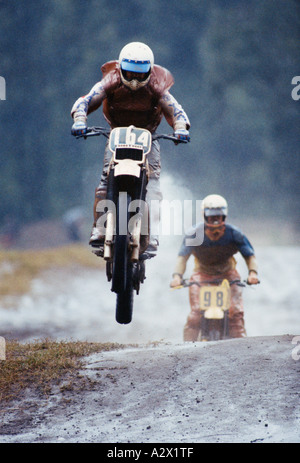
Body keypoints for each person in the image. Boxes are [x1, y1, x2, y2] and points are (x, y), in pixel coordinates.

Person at [71, 42, 190, 254]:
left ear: (149, 71)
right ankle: (99, 229)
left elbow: (177, 110)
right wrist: (80, 119)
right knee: (105, 179)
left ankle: (150, 233)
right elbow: (86, 100)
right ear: (121, 69)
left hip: (148, 138)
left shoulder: (157, 87)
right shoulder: (110, 82)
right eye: (130, 73)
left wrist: (181, 128)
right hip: (117, 134)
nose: (134, 80)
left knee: (152, 184)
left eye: (140, 74)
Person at [170, 194, 259, 341]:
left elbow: (250, 256)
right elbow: (182, 257)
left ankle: (242, 349)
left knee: (235, 314)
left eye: (219, 216)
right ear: (204, 215)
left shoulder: (234, 233)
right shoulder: (194, 234)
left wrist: (253, 273)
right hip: (201, 275)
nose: (215, 220)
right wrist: (177, 277)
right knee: (195, 315)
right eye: (211, 216)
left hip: (228, 275)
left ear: (225, 216)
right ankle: (185, 350)